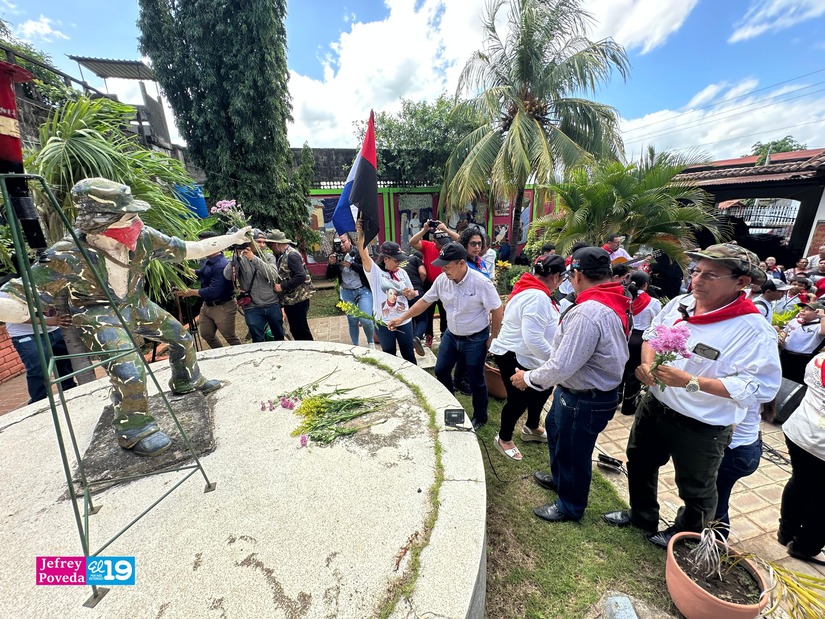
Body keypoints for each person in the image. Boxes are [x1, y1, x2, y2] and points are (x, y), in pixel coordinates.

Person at [0, 178, 250, 456]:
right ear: (101, 221)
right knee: (129, 369)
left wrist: (233, 238)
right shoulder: (66, 254)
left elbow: (191, 249)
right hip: (98, 314)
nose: (137, 223)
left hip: (136, 303)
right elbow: (20, 302)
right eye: (129, 217)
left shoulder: (143, 238)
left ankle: (186, 380)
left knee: (179, 337)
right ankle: (134, 427)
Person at [603, 244, 782, 547]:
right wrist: (647, 363)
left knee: (695, 487)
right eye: (696, 271)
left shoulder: (753, 330)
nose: (697, 280)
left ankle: (685, 533)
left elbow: (761, 387)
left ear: (741, 282)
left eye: (710, 275)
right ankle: (642, 514)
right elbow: (652, 335)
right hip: (657, 405)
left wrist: (691, 382)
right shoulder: (680, 304)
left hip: (702, 423)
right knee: (640, 460)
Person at [511, 247, 631, 523]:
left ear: (576, 274)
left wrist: (526, 378)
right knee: (554, 430)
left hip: (585, 397)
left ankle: (571, 505)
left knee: (574, 451)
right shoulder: (614, 298)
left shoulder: (588, 312)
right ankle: (559, 480)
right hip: (579, 392)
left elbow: (562, 365)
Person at [387, 242, 503, 429]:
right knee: (441, 370)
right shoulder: (442, 280)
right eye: (442, 266)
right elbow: (424, 302)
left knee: (476, 380)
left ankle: (480, 416)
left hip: (475, 338)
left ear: (461, 263)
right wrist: (401, 318)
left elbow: (497, 309)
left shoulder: (481, 283)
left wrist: (493, 337)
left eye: (447, 266)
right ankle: (453, 405)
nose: (443, 270)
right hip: (452, 335)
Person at [490, 254, 566, 460]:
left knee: (541, 391)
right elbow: (532, 338)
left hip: (530, 357)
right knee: (518, 400)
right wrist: (554, 362)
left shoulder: (536, 291)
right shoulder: (537, 296)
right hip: (516, 356)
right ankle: (504, 438)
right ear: (557, 276)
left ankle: (531, 427)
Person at [778, 352, 825, 566]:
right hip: (820, 445)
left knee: (801, 482)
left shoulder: (820, 359)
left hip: (800, 432)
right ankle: (805, 546)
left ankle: (786, 532)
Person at [355, 222, 418, 364]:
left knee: (408, 354)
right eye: (396, 260)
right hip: (384, 323)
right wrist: (360, 233)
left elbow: (413, 293)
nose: (399, 263)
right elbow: (364, 256)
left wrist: (409, 294)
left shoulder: (402, 273)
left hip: (404, 320)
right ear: (386, 259)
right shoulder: (376, 274)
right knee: (389, 356)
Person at [1, 291, 77, 403]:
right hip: (26, 335)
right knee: (38, 369)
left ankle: (70, 392)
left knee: (65, 362)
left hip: (54, 330)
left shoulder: (42, 279)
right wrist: (45, 321)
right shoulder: (6, 291)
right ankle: (38, 402)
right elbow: (14, 316)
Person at [175, 231, 242, 349]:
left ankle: (242, 357)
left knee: (230, 337)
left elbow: (214, 291)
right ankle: (221, 354)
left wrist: (190, 292)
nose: (200, 247)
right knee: (207, 334)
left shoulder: (221, 265)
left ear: (213, 244)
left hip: (222, 307)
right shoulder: (208, 260)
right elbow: (202, 273)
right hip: (207, 306)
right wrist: (185, 269)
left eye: (203, 244)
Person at [224, 239, 284, 344]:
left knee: (278, 335)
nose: (262, 244)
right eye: (259, 241)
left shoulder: (269, 257)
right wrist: (236, 257)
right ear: (249, 242)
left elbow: (273, 275)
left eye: (263, 242)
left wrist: (253, 259)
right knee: (257, 339)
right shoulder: (240, 258)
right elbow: (228, 276)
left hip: (272, 303)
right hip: (252, 306)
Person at [619, 271, 661, 416]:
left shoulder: (624, 297)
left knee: (620, 368)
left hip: (625, 335)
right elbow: (656, 323)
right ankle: (628, 407)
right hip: (641, 339)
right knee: (633, 374)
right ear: (645, 285)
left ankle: (615, 399)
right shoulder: (653, 302)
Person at [410, 222, 458, 346]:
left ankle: (444, 334)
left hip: (447, 284)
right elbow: (412, 242)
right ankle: (429, 336)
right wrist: (424, 230)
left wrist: (447, 230)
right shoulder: (427, 246)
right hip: (430, 284)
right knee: (428, 312)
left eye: (444, 243)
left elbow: (462, 240)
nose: (442, 247)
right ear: (434, 241)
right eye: (440, 244)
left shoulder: (449, 246)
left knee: (445, 310)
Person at [326, 232, 374, 348]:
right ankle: (355, 346)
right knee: (352, 320)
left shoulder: (359, 252)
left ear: (349, 240)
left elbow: (369, 270)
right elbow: (330, 276)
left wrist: (350, 265)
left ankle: (370, 342)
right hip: (347, 292)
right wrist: (331, 265)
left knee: (365, 319)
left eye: (343, 241)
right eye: (338, 242)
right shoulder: (336, 255)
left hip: (362, 290)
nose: (341, 245)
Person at [267, 229, 314, 341]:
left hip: (298, 300)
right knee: (296, 329)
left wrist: (282, 287)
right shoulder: (283, 255)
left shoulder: (291, 255)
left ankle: (309, 351)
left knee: (301, 330)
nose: (270, 248)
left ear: (276, 244)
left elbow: (300, 276)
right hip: (292, 300)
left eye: (270, 245)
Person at [778, 301, 825, 383]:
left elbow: (824, 332)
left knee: (794, 382)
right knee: (779, 378)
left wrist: (822, 317)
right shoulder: (795, 321)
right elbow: (785, 331)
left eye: (807, 309)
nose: (802, 311)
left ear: (817, 313)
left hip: (802, 359)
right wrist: (782, 337)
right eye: (803, 308)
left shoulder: (819, 326)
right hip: (785, 355)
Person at [401, 248, 428, 350]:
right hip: (416, 291)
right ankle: (417, 337)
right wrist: (421, 283)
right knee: (422, 319)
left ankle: (409, 341)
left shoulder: (395, 264)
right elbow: (423, 273)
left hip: (403, 295)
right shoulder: (415, 259)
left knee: (408, 318)